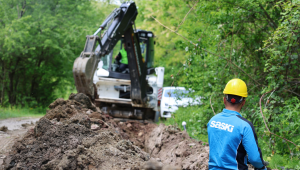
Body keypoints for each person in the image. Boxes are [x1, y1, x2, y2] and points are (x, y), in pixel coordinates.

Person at [207, 78, 267, 170]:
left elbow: (222, 151)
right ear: (243, 102)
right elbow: (255, 159)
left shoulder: (212, 121)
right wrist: (262, 167)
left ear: (224, 100)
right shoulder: (244, 126)